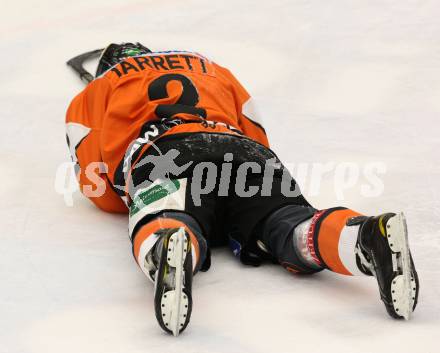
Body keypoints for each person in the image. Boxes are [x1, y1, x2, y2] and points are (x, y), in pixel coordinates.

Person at [65, 42, 419, 336]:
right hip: (243, 150)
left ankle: (169, 242)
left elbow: (92, 175)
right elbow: (253, 126)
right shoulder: (211, 68)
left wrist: (131, 198)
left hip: (166, 153)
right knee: (289, 223)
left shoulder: (98, 89)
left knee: (164, 214)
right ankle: (363, 236)